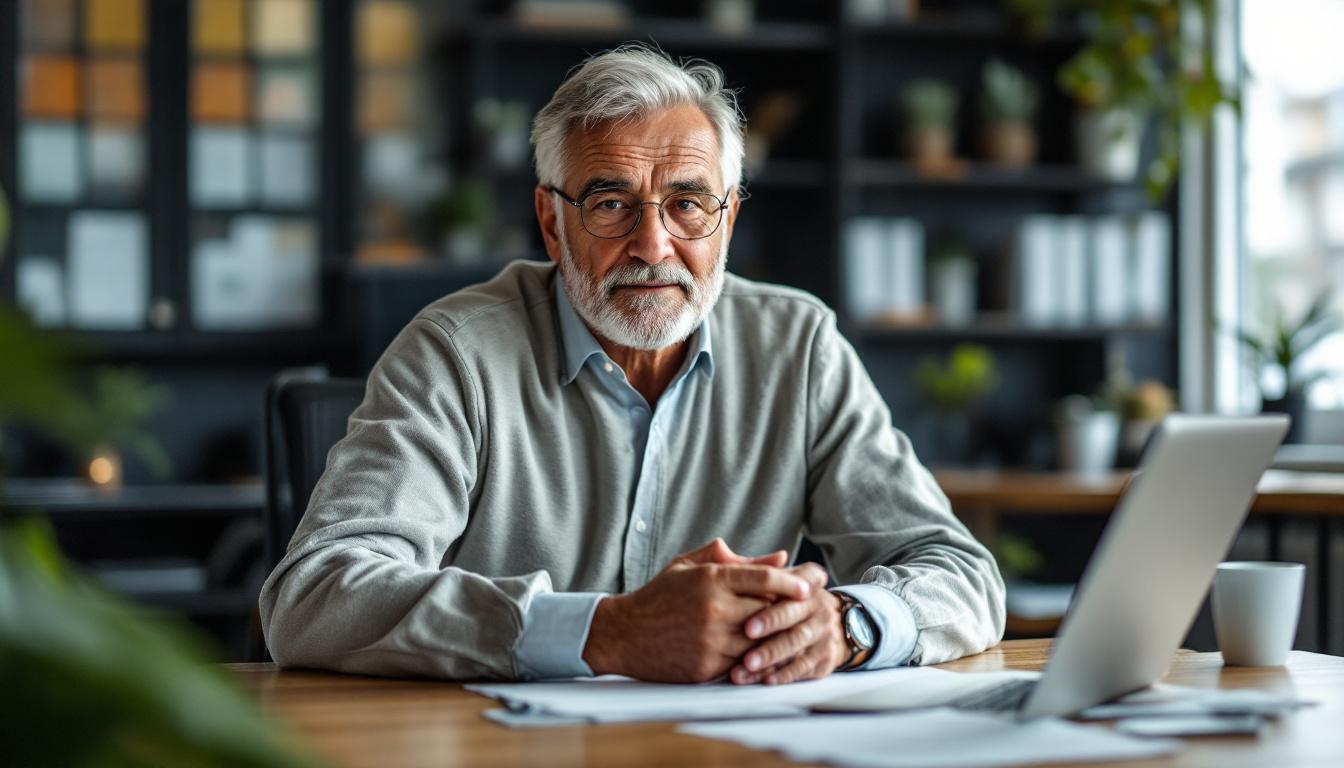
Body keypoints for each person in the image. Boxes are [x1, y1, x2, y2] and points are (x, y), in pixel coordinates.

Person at [260, 44, 1004, 685]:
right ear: (552, 222)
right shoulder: (455, 352)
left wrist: (845, 625)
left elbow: (961, 574)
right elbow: (315, 598)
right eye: (611, 204)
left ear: (728, 220)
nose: (653, 245)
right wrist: (602, 631)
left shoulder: (798, 347)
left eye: (687, 204)